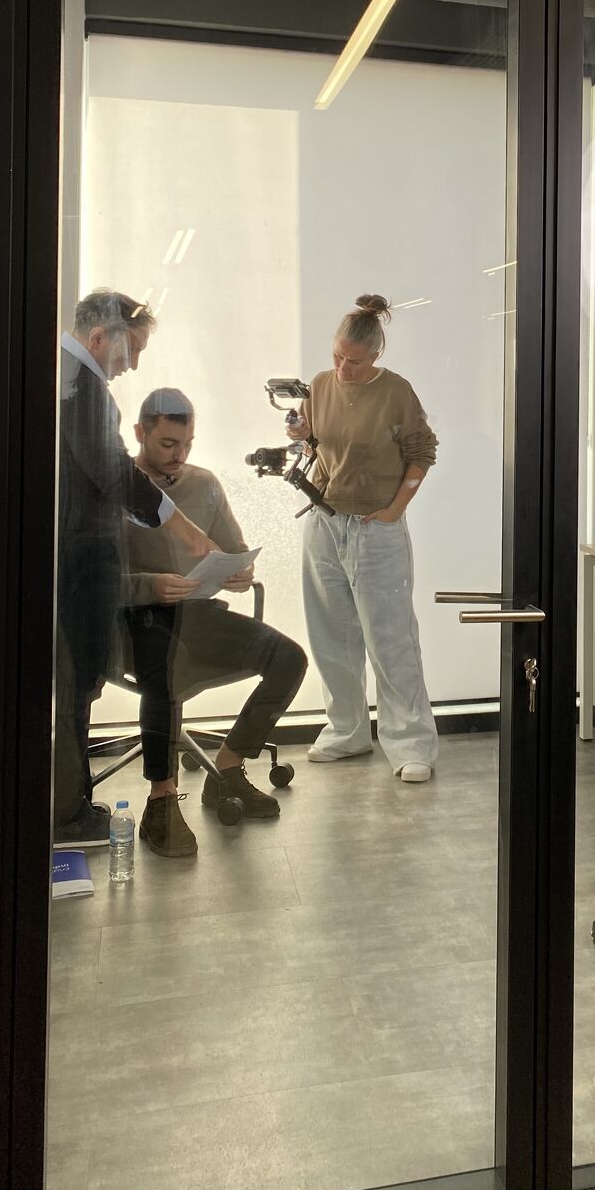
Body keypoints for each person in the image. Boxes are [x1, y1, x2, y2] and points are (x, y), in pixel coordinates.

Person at [56, 291, 216, 848]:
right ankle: (67, 814)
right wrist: (182, 527)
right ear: (102, 338)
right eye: (133, 350)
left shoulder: (63, 379)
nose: (134, 365)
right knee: (75, 687)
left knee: (75, 686)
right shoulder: (81, 390)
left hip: (77, 560)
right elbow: (115, 474)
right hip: (80, 564)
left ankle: (70, 804)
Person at [123, 388, 309, 859]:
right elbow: (96, 580)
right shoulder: (119, 486)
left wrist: (238, 574)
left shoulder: (204, 483)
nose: (179, 455)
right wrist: (152, 586)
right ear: (140, 433)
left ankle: (227, 768)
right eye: (167, 444)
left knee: (289, 658)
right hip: (137, 618)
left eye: (187, 444)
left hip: (198, 613)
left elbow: (230, 548)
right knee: (164, 669)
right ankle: (161, 801)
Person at [289, 295, 440, 782]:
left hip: (377, 529)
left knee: (390, 639)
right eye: (337, 355)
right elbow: (316, 440)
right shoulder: (319, 385)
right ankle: (346, 730)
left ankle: (411, 742)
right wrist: (298, 430)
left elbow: (422, 451)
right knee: (331, 635)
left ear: (375, 354)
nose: (342, 368)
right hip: (325, 521)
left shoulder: (396, 392)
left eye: (353, 360)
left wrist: (395, 510)